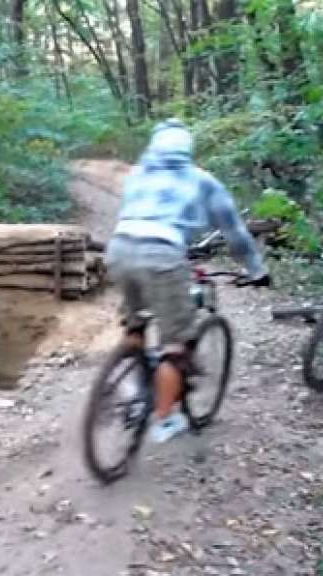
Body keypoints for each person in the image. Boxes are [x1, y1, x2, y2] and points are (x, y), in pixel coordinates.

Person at [107, 119, 270, 444]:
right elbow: (235, 233)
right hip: (162, 255)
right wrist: (256, 270)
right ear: (186, 149)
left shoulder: (138, 173)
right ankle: (165, 420)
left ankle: (126, 377)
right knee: (175, 345)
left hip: (119, 249)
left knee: (135, 323)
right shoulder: (201, 179)